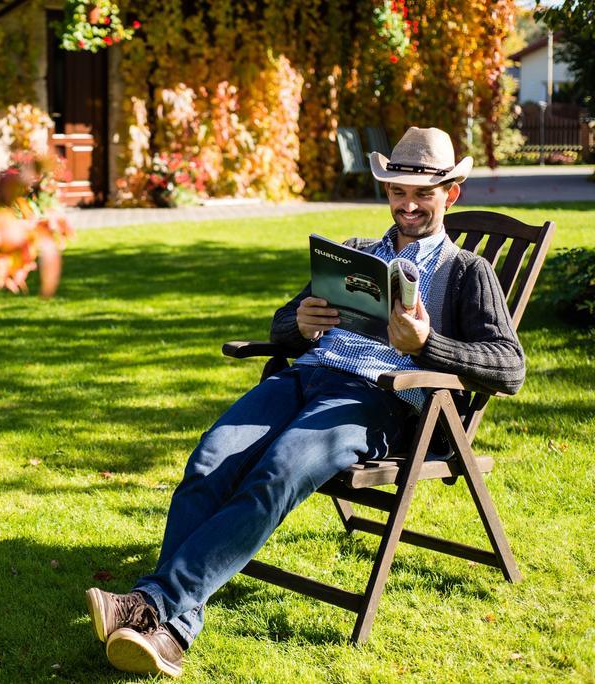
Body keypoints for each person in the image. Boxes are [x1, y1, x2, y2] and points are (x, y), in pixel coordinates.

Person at [84, 127, 526, 678]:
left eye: (423, 195)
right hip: (304, 380)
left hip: (377, 399)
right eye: (397, 193)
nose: (408, 205)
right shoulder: (358, 257)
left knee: (278, 472)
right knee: (210, 460)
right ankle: (171, 632)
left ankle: (148, 607)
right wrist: (299, 324)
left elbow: (509, 368)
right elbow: (282, 323)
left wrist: (426, 345)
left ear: (450, 194)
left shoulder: (467, 273)